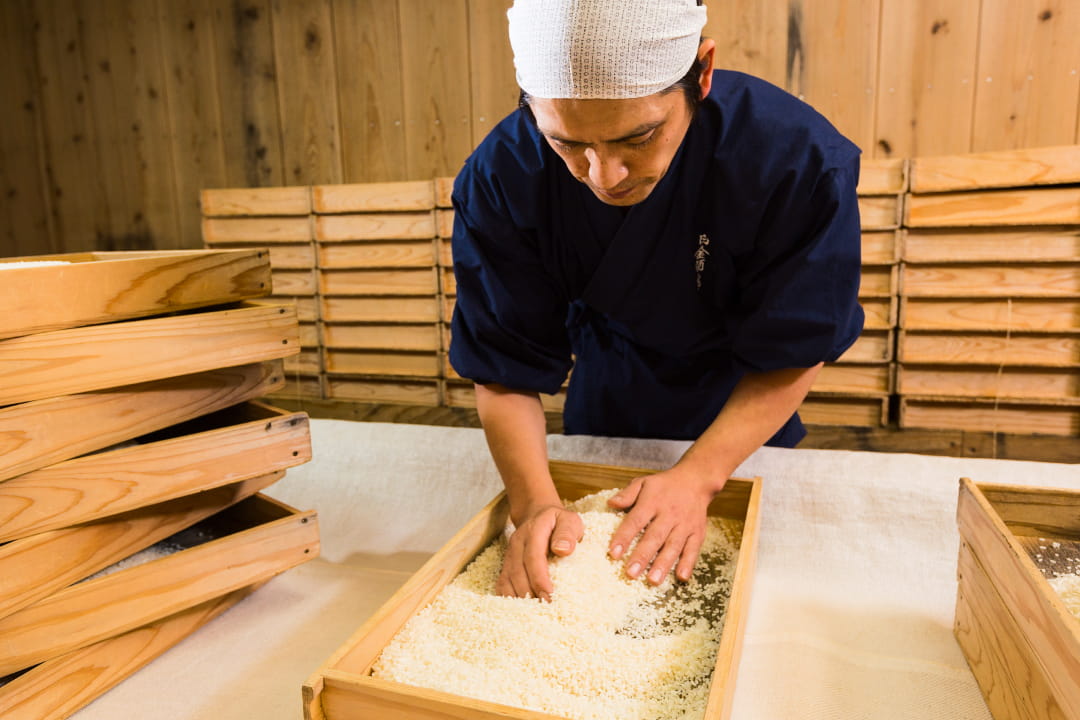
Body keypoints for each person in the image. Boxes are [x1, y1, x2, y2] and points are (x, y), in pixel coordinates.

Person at [448, 0, 864, 601]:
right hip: (608, 390)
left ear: (702, 71)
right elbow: (502, 366)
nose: (604, 175)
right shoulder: (503, 174)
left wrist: (699, 478)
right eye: (566, 143)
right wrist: (534, 503)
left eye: (637, 137)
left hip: (748, 403)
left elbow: (795, 345)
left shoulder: (791, 158)